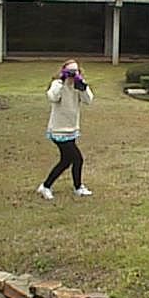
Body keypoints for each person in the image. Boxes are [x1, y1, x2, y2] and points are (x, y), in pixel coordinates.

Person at [37, 59, 94, 200]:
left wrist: (83, 87)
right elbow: (52, 97)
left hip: (72, 128)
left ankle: (46, 186)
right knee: (77, 159)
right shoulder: (57, 84)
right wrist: (62, 82)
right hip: (58, 129)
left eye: (75, 71)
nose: (72, 74)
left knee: (66, 160)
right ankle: (74, 187)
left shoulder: (78, 85)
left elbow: (88, 100)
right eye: (69, 71)